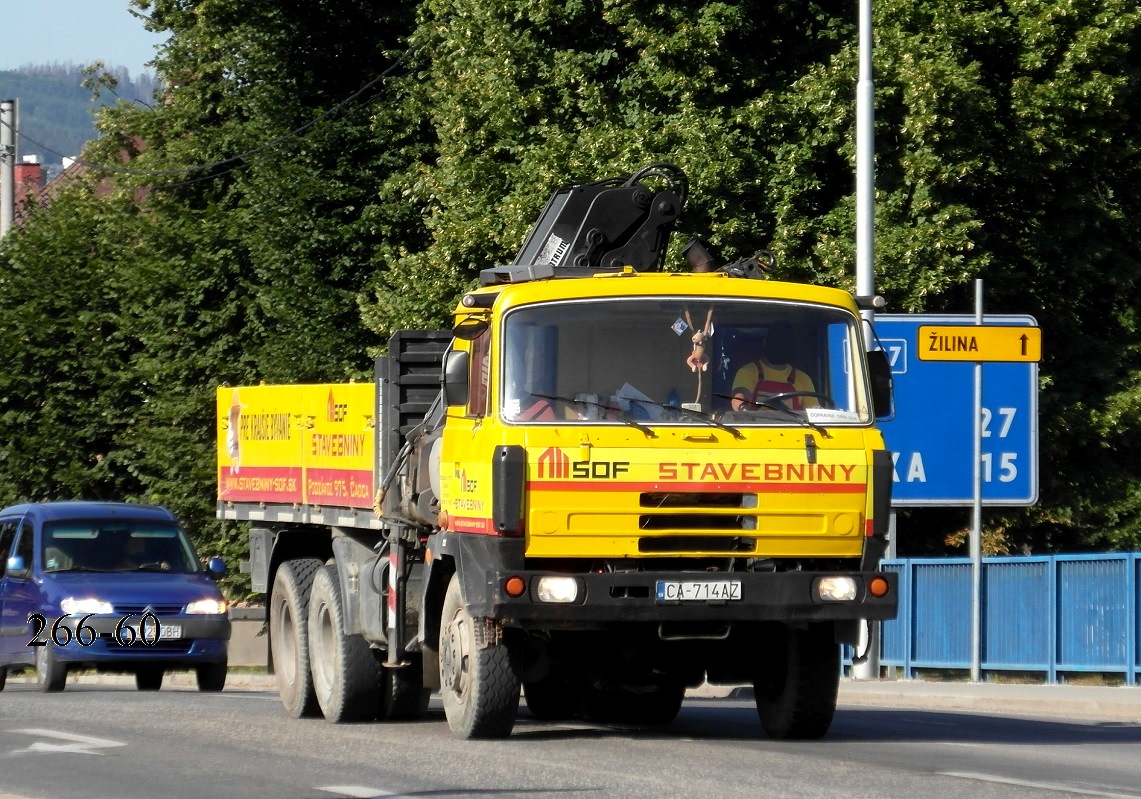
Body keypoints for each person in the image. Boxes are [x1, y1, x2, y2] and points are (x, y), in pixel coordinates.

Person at [729, 322, 818, 412]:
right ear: (765, 343)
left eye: (785, 343)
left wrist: (819, 412)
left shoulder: (803, 379)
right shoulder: (748, 371)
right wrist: (743, 410)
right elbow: (739, 398)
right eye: (776, 341)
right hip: (755, 425)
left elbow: (814, 413)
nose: (781, 346)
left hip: (793, 426)